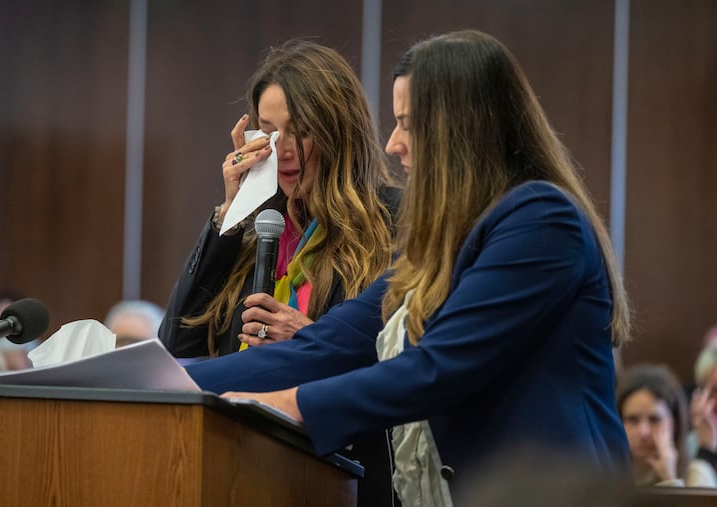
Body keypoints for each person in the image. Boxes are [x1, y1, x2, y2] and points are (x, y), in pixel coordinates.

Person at [185, 29, 633, 505]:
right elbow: (327, 345)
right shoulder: (434, 246)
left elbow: (437, 368)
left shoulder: (542, 221)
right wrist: (157, 379)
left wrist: (288, 404)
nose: (395, 144)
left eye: (407, 123)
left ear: (462, 128)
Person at [158, 40, 400, 506]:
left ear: (338, 132)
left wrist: (311, 339)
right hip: (242, 474)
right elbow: (177, 345)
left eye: (300, 132)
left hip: (345, 479)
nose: (283, 150)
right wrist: (229, 215)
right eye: (268, 133)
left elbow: (402, 357)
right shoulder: (252, 233)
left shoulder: (393, 222)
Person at [617, 363, 717, 487]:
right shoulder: (603, 474)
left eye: (654, 419)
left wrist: (669, 479)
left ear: (675, 424)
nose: (643, 432)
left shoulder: (698, 474)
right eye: (633, 419)